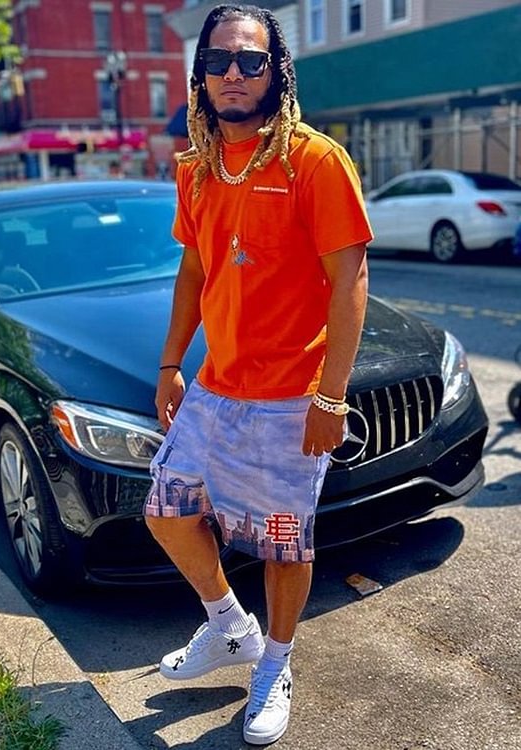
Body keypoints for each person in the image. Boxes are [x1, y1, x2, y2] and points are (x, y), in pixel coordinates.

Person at [143, 3, 372, 745]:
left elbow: (350, 280)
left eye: (250, 59)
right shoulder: (195, 168)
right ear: (200, 76)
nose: (233, 73)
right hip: (215, 387)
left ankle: (275, 664)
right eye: (218, 61)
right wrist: (172, 362)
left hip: (288, 398)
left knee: (282, 544)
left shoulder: (314, 160)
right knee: (166, 512)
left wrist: (331, 396)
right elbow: (194, 272)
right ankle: (229, 627)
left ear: (277, 71)